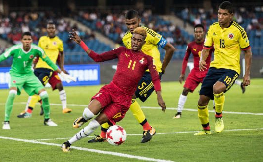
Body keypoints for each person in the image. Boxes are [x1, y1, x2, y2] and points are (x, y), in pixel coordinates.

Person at [61, 27, 166, 152]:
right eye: (133, 39)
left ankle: (68, 143)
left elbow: (155, 77)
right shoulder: (121, 51)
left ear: (143, 42)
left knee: (95, 124)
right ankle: (83, 118)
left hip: (122, 101)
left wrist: (159, 96)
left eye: (139, 40)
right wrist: (81, 42)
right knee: (88, 113)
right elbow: (97, 57)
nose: (135, 42)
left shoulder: (147, 59)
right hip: (110, 90)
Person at [88, 9, 175, 143]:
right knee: (114, 97)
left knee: (128, 97)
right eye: (128, 24)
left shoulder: (149, 34)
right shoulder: (126, 38)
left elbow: (170, 48)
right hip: (137, 74)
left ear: (139, 21)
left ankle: (148, 128)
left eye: (134, 23)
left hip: (151, 74)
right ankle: (103, 134)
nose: (131, 27)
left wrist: (161, 70)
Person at [0, 32, 69, 129]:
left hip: (29, 75)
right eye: (25, 39)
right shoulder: (15, 49)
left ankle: (47, 120)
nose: (27, 41)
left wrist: (61, 72)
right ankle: (6, 121)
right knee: (12, 93)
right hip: (16, 75)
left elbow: (49, 61)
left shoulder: (36, 50)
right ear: (21, 40)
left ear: (31, 40)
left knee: (44, 95)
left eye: (29, 39)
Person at [194, 1, 252, 135]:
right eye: (219, 13)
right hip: (215, 67)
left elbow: (248, 52)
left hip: (231, 68)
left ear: (231, 15)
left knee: (217, 88)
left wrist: (247, 74)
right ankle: (206, 130)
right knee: (202, 101)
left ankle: (218, 117)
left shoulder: (239, 31)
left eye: (224, 14)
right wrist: (202, 59)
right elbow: (206, 48)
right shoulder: (213, 28)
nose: (220, 17)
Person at [17, 22, 74, 118]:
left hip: (50, 69)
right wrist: (33, 64)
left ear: (55, 29)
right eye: (49, 28)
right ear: (46, 29)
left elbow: (61, 55)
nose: (51, 30)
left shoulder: (59, 42)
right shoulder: (42, 40)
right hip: (39, 67)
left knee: (59, 85)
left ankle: (64, 108)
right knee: (33, 88)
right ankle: (40, 104)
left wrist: (62, 68)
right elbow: (37, 53)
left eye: (52, 28)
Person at [174, 24, 214, 119]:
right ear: (194, 33)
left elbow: (218, 54)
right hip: (195, 72)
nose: (198, 34)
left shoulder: (209, 44)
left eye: (200, 32)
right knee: (185, 90)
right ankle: (178, 112)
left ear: (203, 33)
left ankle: (216, 109)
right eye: (196, 32)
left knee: (212, 90)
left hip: (206, 72)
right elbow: (185, 59)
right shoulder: (191, 45)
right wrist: (182, 73)